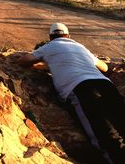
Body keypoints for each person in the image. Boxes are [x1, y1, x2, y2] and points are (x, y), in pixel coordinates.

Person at [13, 22, 125, 164]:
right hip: (105, 85)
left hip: (79, 87)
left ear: (51, 37)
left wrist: (49, 65)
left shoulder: (49, 47)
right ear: (68, 36)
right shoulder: (80, 47)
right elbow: (104, 67)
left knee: (104, 135)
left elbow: (24, 60)